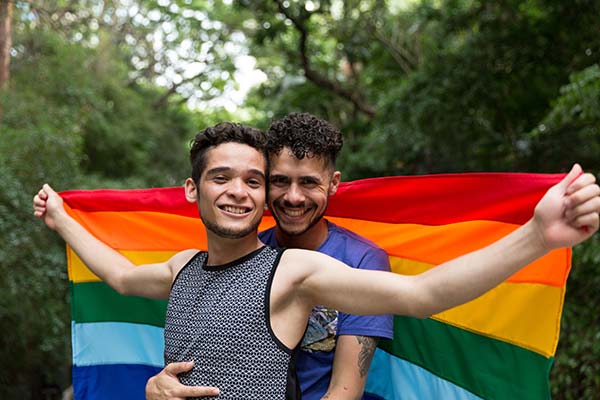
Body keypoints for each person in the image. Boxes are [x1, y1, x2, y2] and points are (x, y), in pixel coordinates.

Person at [34, 123, 600, 400]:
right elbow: (116, 274)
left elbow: (422, 295)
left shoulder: (291, 272)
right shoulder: (181, 267)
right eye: (221, 178)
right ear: (191, 190)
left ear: (263, 196)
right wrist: (62, 219)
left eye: (253, 180)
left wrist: (536, 235)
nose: (239, 191)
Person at [147, 113, 393, 400]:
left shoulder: (362, 260)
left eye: (309, 183)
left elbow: (344, 392)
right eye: (280, 181)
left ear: (334, 183)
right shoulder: (243, 251)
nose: (293, 197)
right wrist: (158, 384)